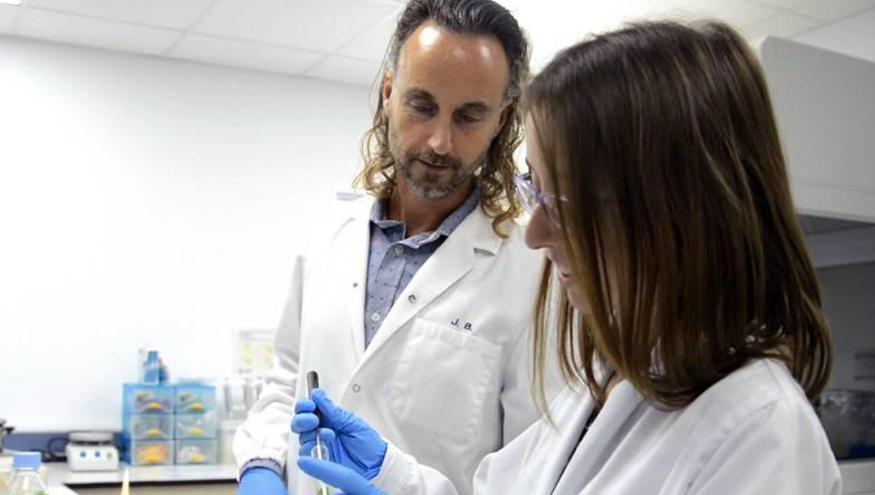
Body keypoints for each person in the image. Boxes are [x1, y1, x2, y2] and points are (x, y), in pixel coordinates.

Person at [291, 20, 843, 494]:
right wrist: (391, 474)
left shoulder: (762, 434)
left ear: (675, 209)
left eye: (567, 202)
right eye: (537, 191)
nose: (535, 235)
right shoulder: (611, 380)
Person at [233, 1, 549, 494]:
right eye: (422, 106)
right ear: (388, 95)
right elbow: (286, 382)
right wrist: (261, 468)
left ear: (501, 120)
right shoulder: (328, 238)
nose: (440, 142)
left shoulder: (535, 272)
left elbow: (533, 475)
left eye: (469, 116)